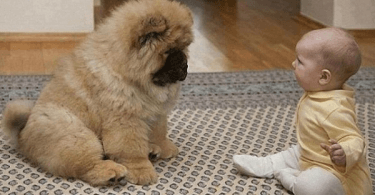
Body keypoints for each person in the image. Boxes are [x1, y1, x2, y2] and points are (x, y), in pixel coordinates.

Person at [233, 27, 372, 195]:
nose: (293, 64)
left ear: (323, 77)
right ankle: (268, 164)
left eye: (299, 61)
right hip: (311, 153)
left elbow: (356, 140)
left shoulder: (336, 109)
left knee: (313, 187)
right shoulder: (319, 91)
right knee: (294, 152)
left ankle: (290, 179)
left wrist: (344, 152)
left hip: (336, 173)